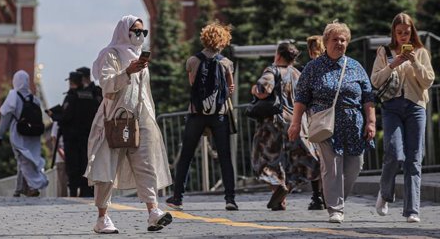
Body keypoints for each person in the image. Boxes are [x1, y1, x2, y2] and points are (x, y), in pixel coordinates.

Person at [85, 16, 172, 234]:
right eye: (136, 31)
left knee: (146, 164)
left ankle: (153, 212)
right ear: (125, 31)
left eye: (144, 32)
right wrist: (127, 72)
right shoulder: (111, 54)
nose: (140, 36)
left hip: (140, 119)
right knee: (106, 169)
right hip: (114, 119)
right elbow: (106, 85)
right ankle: (102, 217)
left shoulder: (140, 60)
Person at [289, 22, 376, 224]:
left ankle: (337, 200)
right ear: (326, 42)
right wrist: (295, 124)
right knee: (332, 166)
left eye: (343, 40)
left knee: (355, 166)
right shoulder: (313, 68)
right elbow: (301, 98)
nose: (339, 43)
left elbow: (368, 97)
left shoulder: (355, 66)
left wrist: (371, 122)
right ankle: (335, 208)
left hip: (354, 123)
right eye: (335, 39)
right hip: (325, 124)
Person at [166, 22, 238, 212]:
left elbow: (192, 84)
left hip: (196, 114)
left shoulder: (192, 61)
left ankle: (177, 198)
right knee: (225, 156)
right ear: (223, 40)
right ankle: (230, 199)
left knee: (187, 156)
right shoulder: (226, 63)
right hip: (219, 115)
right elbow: (230, 89)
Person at [371, 13, 435, 223]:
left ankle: (412, 210)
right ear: (394, 33)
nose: (403, 37)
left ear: (412, 32)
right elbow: (375, 80)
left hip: (416, 106)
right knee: (394, 152)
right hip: (392, 108)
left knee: (414, 159)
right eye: (399, 33)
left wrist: (415, 62)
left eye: (406, 33)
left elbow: (428, 81)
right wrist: (393, 64)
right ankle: (385, 193)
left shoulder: (421, 52)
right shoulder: (385, 52)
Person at [250, 42, 320, 211]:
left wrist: (253, 90)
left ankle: (279, 188)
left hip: (273, 123)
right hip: (296, 122)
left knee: (264, 159)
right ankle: (283, 196)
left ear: (279, 55)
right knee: (293, 160)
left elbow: (263, 89)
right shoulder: (297, 73)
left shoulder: (272, 70)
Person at [0, 70, 48, 197]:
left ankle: (33, 186)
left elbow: (5, 118)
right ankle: (20, 188)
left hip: (19, 134)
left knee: (23, 161)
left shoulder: (13, 96)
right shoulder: (34, 99)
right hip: (34, 135)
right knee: (28, 160)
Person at [60, 71, 99, 197]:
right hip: (87, 137)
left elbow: (65, 116)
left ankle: (73, 192)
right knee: (85, 164)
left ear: (72, 83)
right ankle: (85, 191)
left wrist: (55, 116)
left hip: (72, 139)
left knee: (73, 167)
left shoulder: (71, 97)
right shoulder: (90, 95)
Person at [305, 35, 326, 211]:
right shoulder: (330, 65)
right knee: (329, 157)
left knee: (317, 158)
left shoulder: (311, 68)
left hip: (315, 118)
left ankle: (317, 197)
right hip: (331, 117)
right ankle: (327, 196)